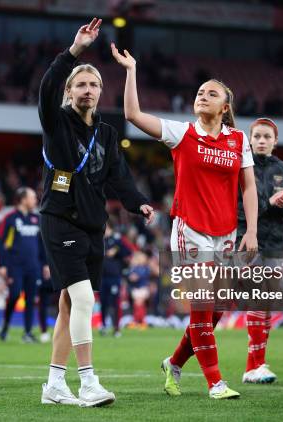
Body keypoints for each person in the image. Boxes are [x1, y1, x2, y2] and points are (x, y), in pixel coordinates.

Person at [112, 43, 258, 399]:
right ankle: (215, 382)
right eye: (199, 92)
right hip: (190, 229)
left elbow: (249, 187)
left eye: (211, 93)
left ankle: (173, 364)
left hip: (226, 234)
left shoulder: (239, 139)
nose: (202, 96)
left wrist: (251, 230)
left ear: (225, 107)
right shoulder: (181, 133)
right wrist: (131, 71)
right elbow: (132, 114)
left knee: (217, 312)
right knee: (201, 307)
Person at [38, 19, 154, 407]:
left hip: (92, 227)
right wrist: (75, 51)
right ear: (69, 92)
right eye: (80, 84)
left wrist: (138, 203)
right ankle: (88, 382)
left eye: (93, 84)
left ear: (101, 92)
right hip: (60, 220)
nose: (87, 90)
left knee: (70, 305)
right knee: (84, 300)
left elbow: (119, 178)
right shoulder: (56, 122)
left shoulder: (106, 133)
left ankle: (54, 384)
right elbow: (46, 88)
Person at [236, 118, 283, 384]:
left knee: (266, 304)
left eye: (266, 137)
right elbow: (238, 209)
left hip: (274, 244)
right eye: (257, 136)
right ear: (250, 139)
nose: (261, 140)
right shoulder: (240, 167)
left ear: (275, 141)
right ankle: (256, 364)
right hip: (246, 241)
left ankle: (255, 365)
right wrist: (270, 203)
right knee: (258, 298)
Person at [0, 187, 48, 343]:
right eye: (32, 197)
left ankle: (27, 332)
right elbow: (3, 243)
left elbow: (42, 244)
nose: (35, 200)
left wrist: (45, 264)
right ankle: (5, 324)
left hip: (33, 265)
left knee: (31, 299)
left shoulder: (36, 219)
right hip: (15, 266)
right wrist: (3, 265)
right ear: (23, 199)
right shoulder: (10, 219)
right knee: (14, 295)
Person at [100, 223, 131, 337]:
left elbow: (128, 252)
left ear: (110, 229)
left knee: (115, 303)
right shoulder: (99, 240)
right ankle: (103, 326)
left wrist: (116, 249)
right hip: (102, 277)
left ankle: (116, 328)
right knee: (103, 303)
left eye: (106, 228)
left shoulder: (117, 240)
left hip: (114, 277)